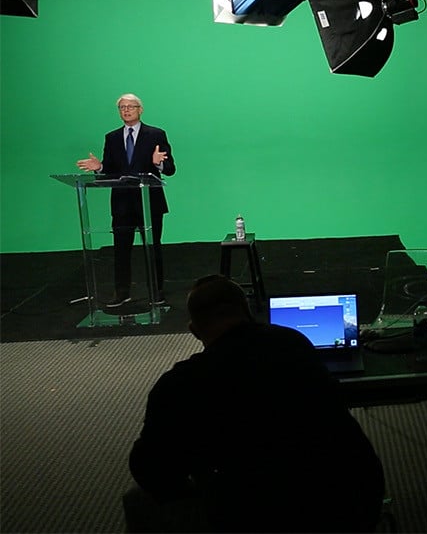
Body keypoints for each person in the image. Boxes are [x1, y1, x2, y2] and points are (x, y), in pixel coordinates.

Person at [123, 275, 385, 532]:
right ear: (247, 313)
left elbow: (149, 470)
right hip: (357, 499)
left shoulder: (179, 384)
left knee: (136, 498)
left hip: (259, 517)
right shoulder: (294, 342)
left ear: (194, 330)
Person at [76, 93, 175, 307]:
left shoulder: (156, 134)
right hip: (122, 204)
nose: (126, 110)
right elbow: (110, 171)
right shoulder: (112, 137)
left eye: (131, 106)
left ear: (140, 110)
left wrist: (158, 163)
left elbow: (170, 169)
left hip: (149, 202)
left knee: (152, 248)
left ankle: (156, 292)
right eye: (122, 107)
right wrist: (100, 167)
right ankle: (122, 293)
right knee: (121, 250)